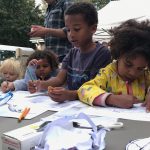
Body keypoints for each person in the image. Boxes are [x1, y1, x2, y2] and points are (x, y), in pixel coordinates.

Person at [28, 2, 111, 102]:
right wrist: (40, 84)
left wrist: (70, 95)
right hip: (72, 107)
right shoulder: (72, 53)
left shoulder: (102, 53)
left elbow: (95, 88)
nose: (71, 34)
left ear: (93, 28)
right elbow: (59, 79)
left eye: (76, 29)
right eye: (68, 30)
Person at [78, 19, 150, 112]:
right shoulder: (108, 74)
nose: (133, 73)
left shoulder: (145, 75)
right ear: (118, 55)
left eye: (140, 68)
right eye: (128, 64)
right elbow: (84, 90)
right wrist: (111, 99)